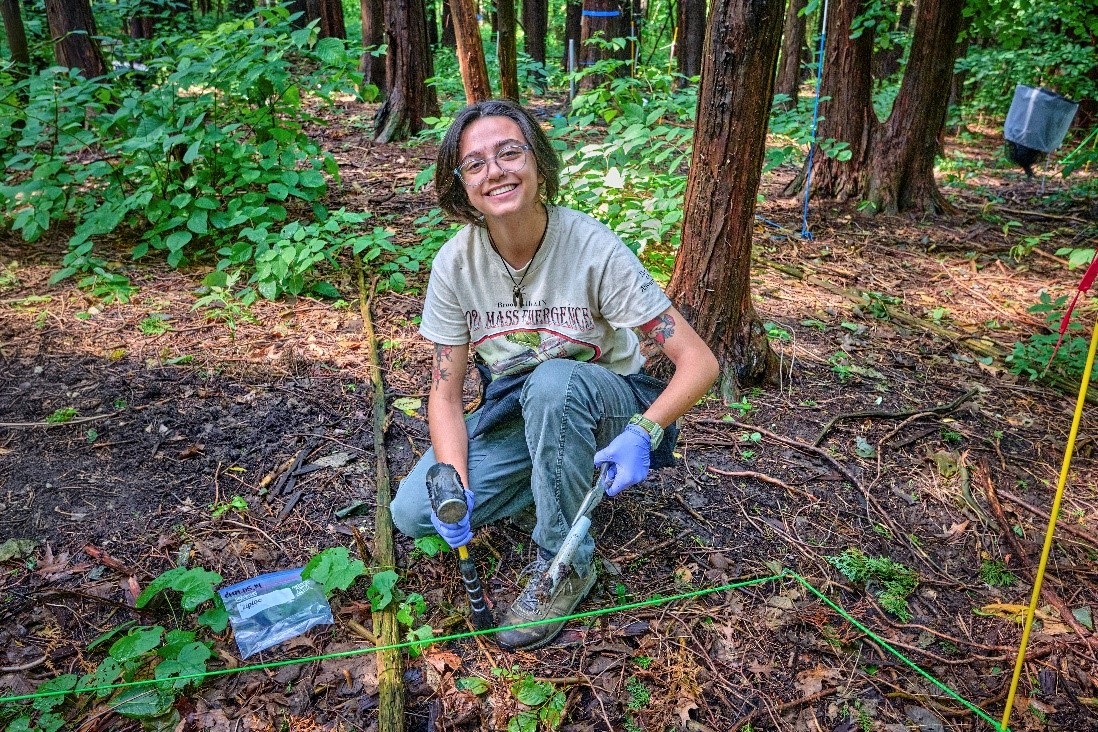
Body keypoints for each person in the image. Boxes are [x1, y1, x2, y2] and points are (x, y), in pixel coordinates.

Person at [392, 99, 719, 650]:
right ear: (462, 186)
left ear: (539, 163)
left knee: (554, 384)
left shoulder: (592, 248)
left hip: (609, 403)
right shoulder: (455, 263)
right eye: (474, 164)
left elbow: (700, 363)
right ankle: (554, 486)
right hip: (521, 406)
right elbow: (445, 396)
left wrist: (646, 430)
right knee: (413, 511)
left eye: (509, 153)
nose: (494, 171)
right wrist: (458, 481)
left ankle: (563, 564)